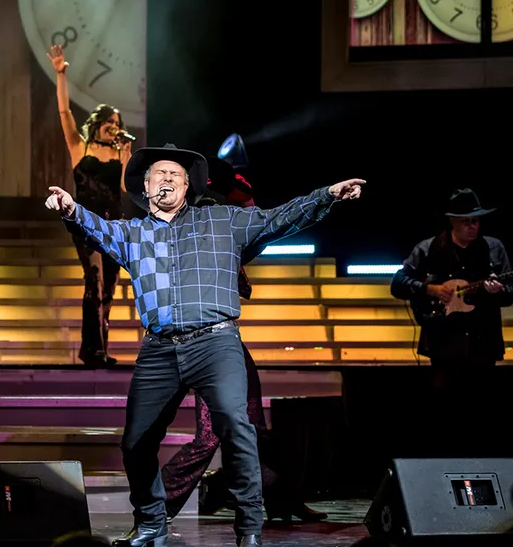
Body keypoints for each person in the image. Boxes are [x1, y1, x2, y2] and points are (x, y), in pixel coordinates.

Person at [45, 143, 364, 547]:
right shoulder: (132, 233)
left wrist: (327, 196)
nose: (166, 178)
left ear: (188, 186)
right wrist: (71, 207)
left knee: (235, 423)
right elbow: (95, 227)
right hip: (159, 349)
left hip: (216, 343)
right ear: (145, 187)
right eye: (159, 174)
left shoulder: (223, 220)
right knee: (136, 441)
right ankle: (151, 523)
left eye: (175, 174)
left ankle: (249, 529)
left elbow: (278, 219)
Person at [160, 158, 327, 524]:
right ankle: (158, 503)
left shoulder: (225, 240)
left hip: (227, 347)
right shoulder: (177, 254)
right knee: (209, 438)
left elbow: (261, 230)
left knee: (254, 429)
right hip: (198, 349)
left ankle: (281, 501)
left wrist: (249, 197)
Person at [390, 188, 511, 456]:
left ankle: (480, 466)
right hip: (443, 341)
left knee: (481, 410)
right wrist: (430, 289)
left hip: (483, 341)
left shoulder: (493, 249)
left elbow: (509, 293)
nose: (473, 226)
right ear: (453, 221)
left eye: (476, 221)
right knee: (444, 409)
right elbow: (397, 283)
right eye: (467, 221)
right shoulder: (428, 248)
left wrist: (498, 291)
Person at [47, 44, 133, 367]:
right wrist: (60, 75)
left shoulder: (118, 152)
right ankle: (93, 349)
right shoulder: (79, 146)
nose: (114, 126)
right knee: (94, 279)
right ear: (98, 123)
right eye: (110, 121)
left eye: (118, 122)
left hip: (114, 223)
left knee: (109, 287)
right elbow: (65, 113)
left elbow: (124, 187)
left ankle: (98, 348)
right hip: (85, 222)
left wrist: (124, 156)